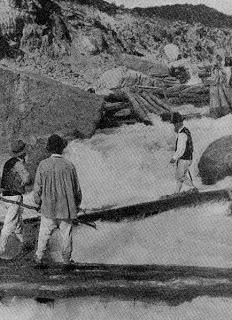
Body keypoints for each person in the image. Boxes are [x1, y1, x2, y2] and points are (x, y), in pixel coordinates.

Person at [33, 134, 82, 266]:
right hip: (66, 207)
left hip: (48, 207)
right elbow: (77, 190)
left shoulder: (43, 165)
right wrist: (76, 205)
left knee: (44, 233)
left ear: (49, 149)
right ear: (62, 148)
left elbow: (37, 188)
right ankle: (66, 260)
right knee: (66, 235)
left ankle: (39, 257)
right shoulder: (69, 165)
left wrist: (38, 203)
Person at [0, 139, 30, 254]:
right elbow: (27, 179)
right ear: (23, 153)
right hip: (14, 197)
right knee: (10, 224)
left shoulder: (8, 162)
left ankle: (22, 244)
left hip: (5, 196)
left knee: (18, 223)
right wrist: (23, 183)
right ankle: (1, 249)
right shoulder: (19, 163)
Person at [170, 112, 196, 194]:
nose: (174, 126)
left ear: (179, 123)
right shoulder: (186, 131)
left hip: (184, 159)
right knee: (180, 177)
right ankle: (176, 193)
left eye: (175, 124)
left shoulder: (181, 134)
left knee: (180, 176)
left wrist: (174, 158)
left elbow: (181, 149)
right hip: (188, 158)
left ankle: (193, 188)